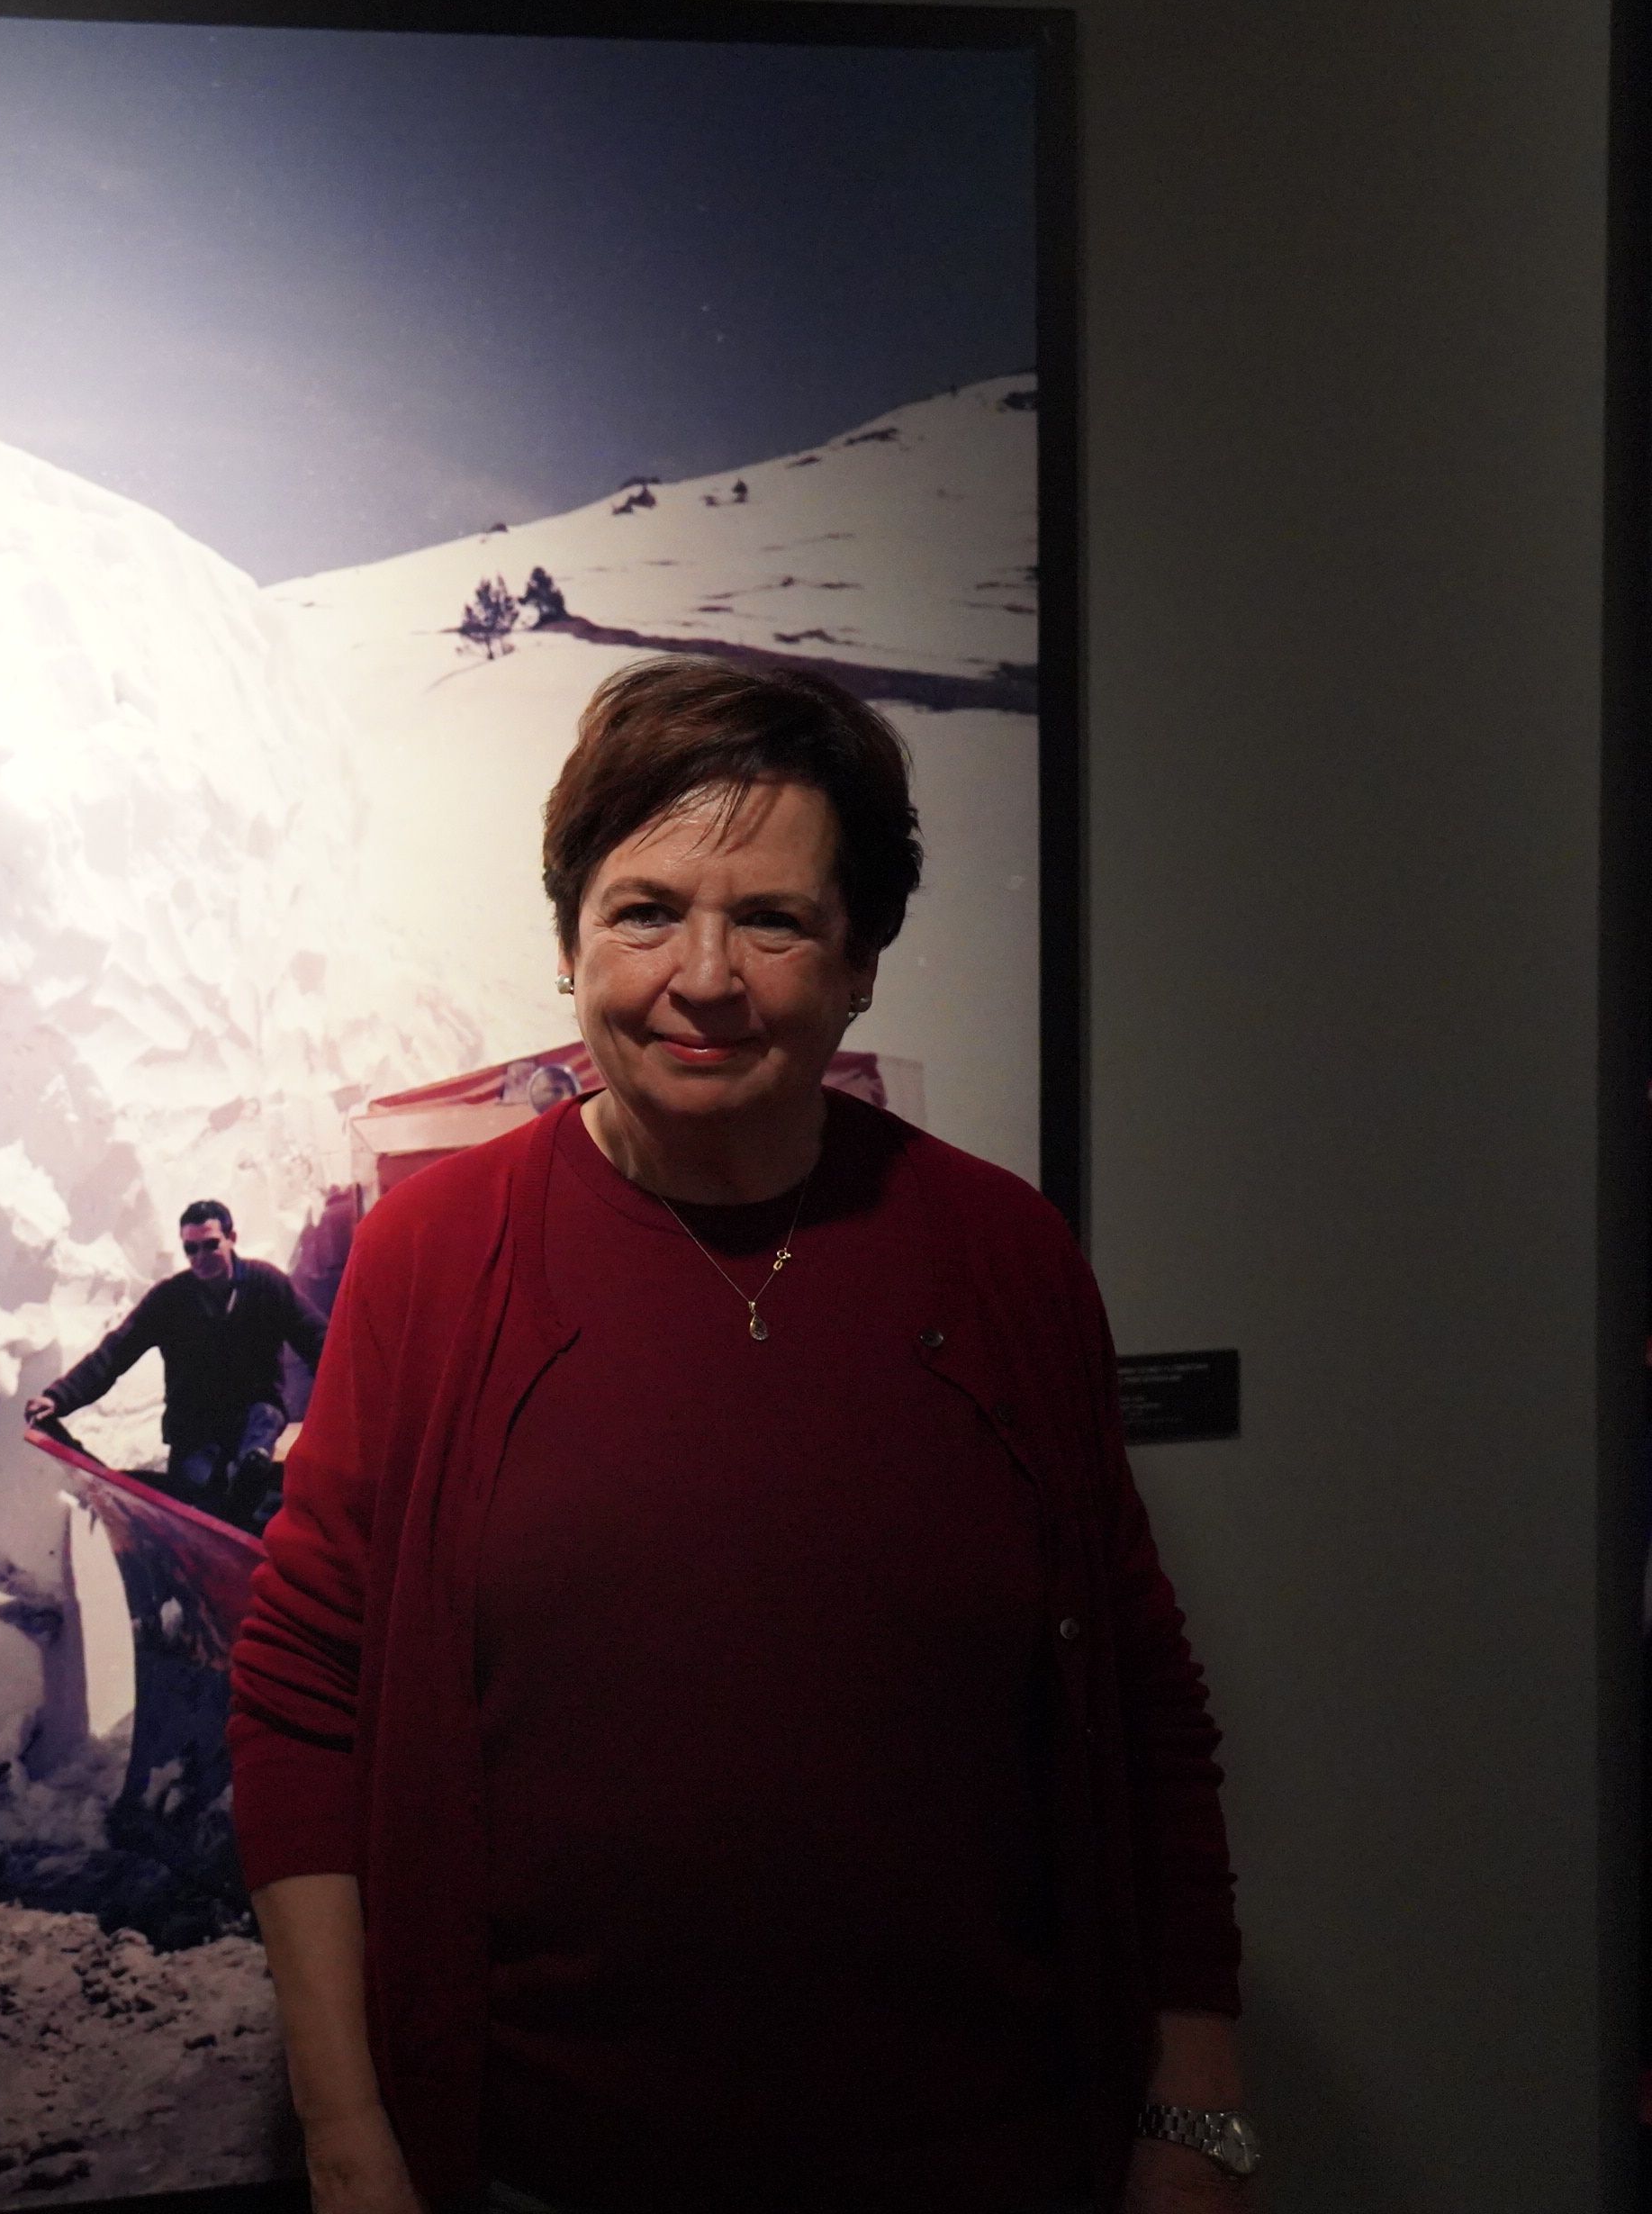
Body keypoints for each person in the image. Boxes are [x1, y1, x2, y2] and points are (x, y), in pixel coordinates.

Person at [228, 657, 1251, 2214]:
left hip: (985, 2158)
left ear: (860, 958)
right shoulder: (439, 1254)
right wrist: (345, 2123)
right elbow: (304, 1685)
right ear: (570, 940)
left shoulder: (1001, 1252)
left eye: (770, 918)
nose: (701, 975)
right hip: (538, 2167)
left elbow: (1140, 1693)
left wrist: (1197, 2106)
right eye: (643, 909)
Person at [24, 1199, 327, 1530]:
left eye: (210, 1245)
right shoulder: (169, 1300)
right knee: (197, 1506)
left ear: (232, 1238)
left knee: (260, 1434)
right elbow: (115, 1352)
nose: (201, 1257)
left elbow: (316, 1338)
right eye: (191, 1249)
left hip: (254, 1420)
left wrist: (348, 1393)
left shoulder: (266, 1285)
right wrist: (59, 1397)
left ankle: (253, 1469)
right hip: (196, 1428)